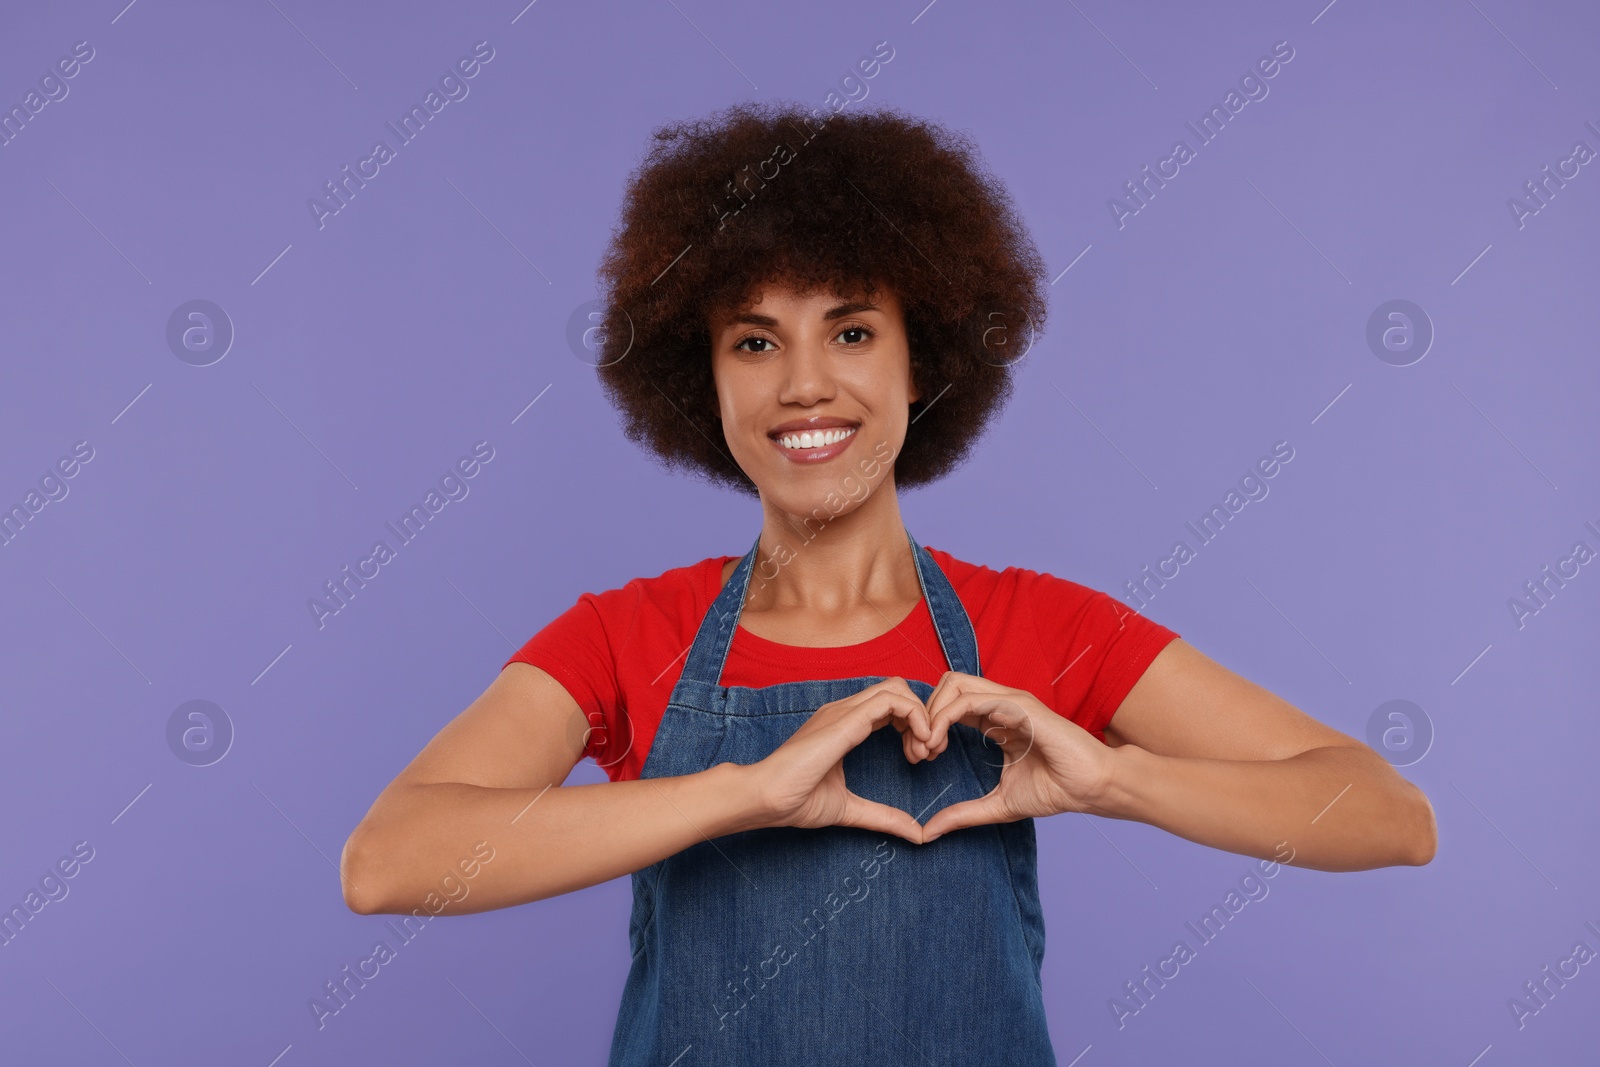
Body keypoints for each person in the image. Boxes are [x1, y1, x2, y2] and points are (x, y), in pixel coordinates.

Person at [340, 101, 1437, 1065]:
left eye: (852, 331)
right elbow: (390, 861)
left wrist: (1111, 778)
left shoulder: (1038, 626)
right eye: (755, 341)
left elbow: (1388, 815)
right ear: (700, 377)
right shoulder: (632, 634)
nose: (805, 383)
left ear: (925, 363)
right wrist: (745, 792)